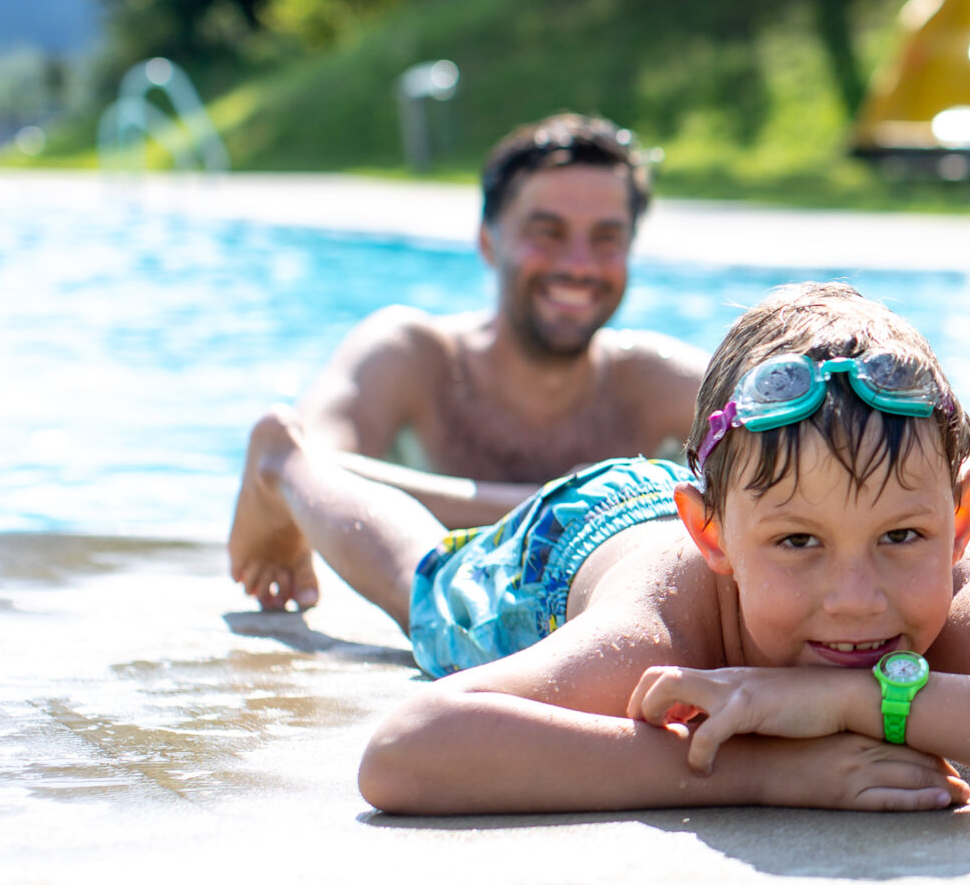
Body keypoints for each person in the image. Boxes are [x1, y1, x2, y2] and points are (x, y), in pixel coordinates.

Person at [225, 282, 970, 815]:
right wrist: (762, 774)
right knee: (424, 582)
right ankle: (287, 464)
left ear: (961, 519)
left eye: (903, 535)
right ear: (717, 535)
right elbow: (409, 750)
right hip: (577, 550)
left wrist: (866, 700)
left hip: (713, 490)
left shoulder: (947, 574)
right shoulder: (657, 623)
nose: (857, 596)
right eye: (800, 543)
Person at [230, 115, 706, 614]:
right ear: (487, 240)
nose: (580, 264)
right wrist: (601, 508)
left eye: (607, 238)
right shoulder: (409, 355)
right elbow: (315, 465)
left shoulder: (658, 381)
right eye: (547, 233)